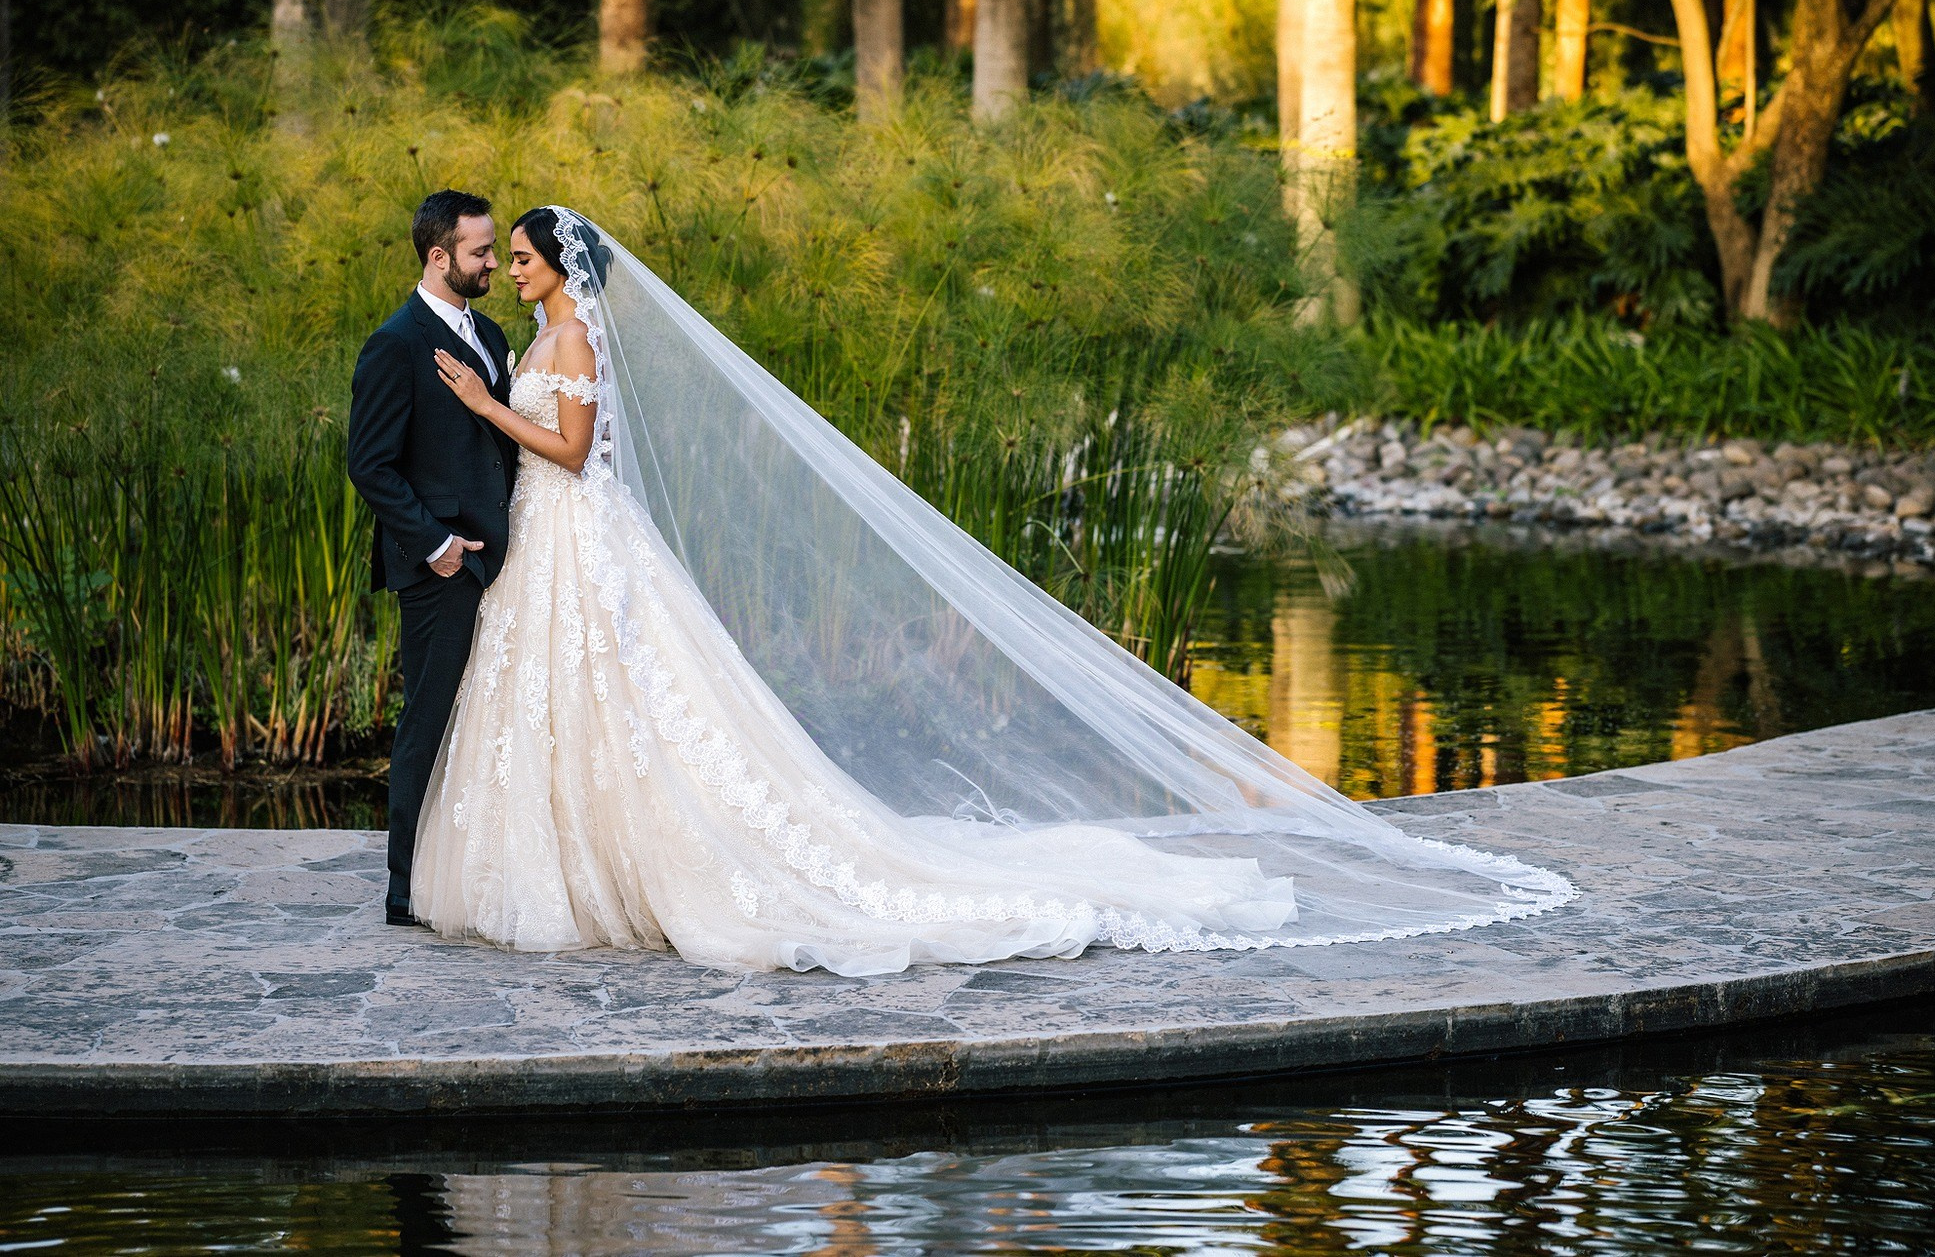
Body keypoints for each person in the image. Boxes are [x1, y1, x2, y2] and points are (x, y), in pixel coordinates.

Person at [405, 207, 1577, 975]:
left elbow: (571, 454)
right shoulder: (540, 338)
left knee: (625, 698)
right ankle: (577, 860)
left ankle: (638, 871)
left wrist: (484, 408)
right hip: (551, 543)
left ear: (561, 267)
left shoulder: (571, 346)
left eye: (523, 255)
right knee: (580, 702)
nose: (511, 267)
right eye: (506, 256)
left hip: (576, 533)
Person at [345, 190, 520, 927]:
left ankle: (467, 872)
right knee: (429, 716)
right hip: (442, 565)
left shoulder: (490, 332)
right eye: (481, 252)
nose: (493, 263)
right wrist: (437, 546)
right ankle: (404, 888)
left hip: (505, 560)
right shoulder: (396, 343)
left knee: (486, 716)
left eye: (493, 249)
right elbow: (370, 464)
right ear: (438, 255)